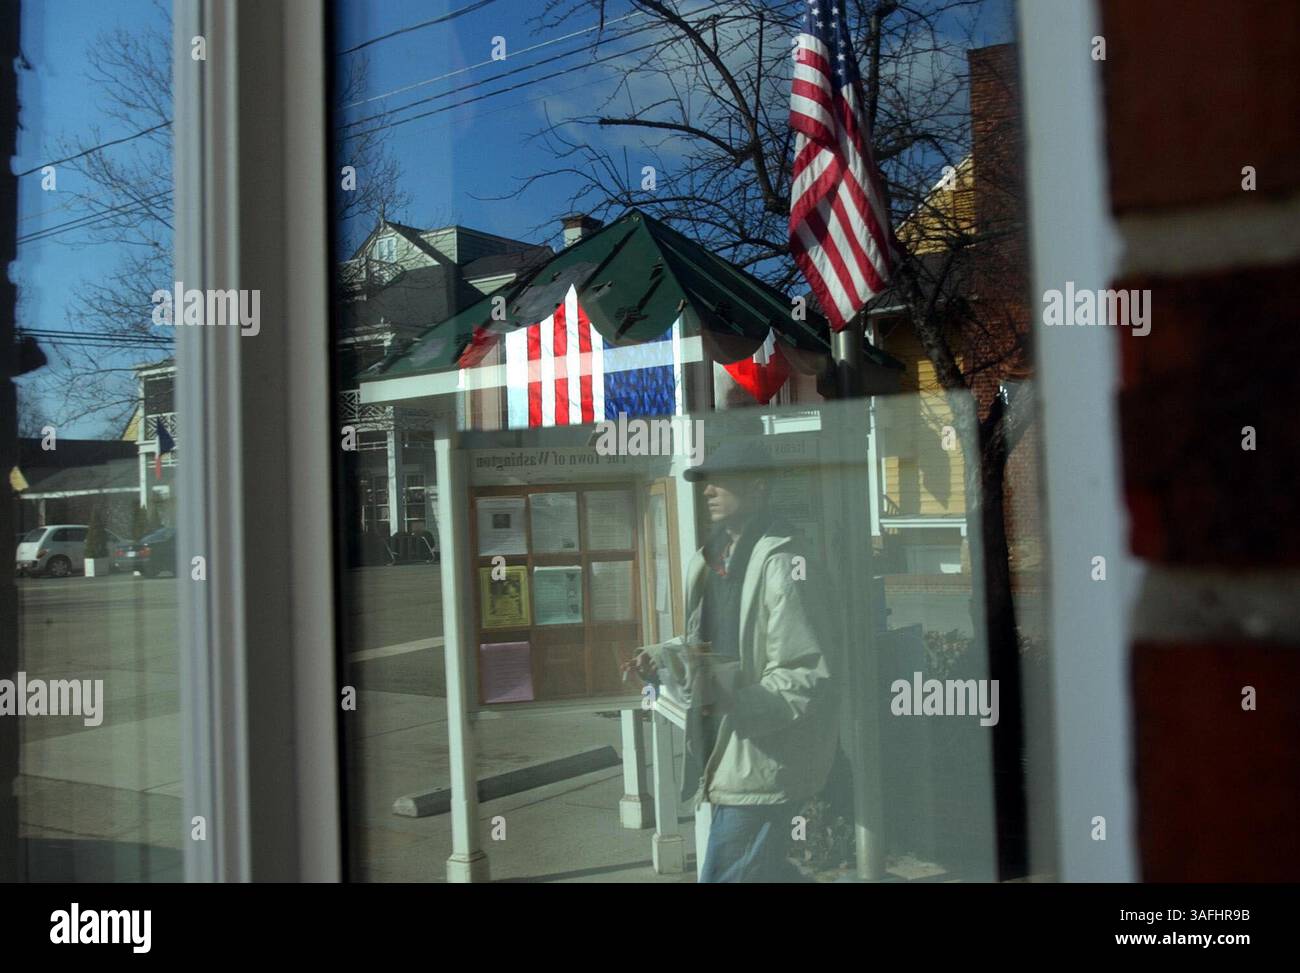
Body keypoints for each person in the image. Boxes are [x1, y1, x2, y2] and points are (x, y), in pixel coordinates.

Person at [623, 438, 840, 882]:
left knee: (728, 874)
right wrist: (659, 657)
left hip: (761, 764)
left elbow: (805, 675)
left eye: (720, 481)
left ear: (758, 487)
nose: (707, 491)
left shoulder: (784, 565)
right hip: (723, 754)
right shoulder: (712, 562)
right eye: (705, 482)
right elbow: (699, 642)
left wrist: (735, 702)